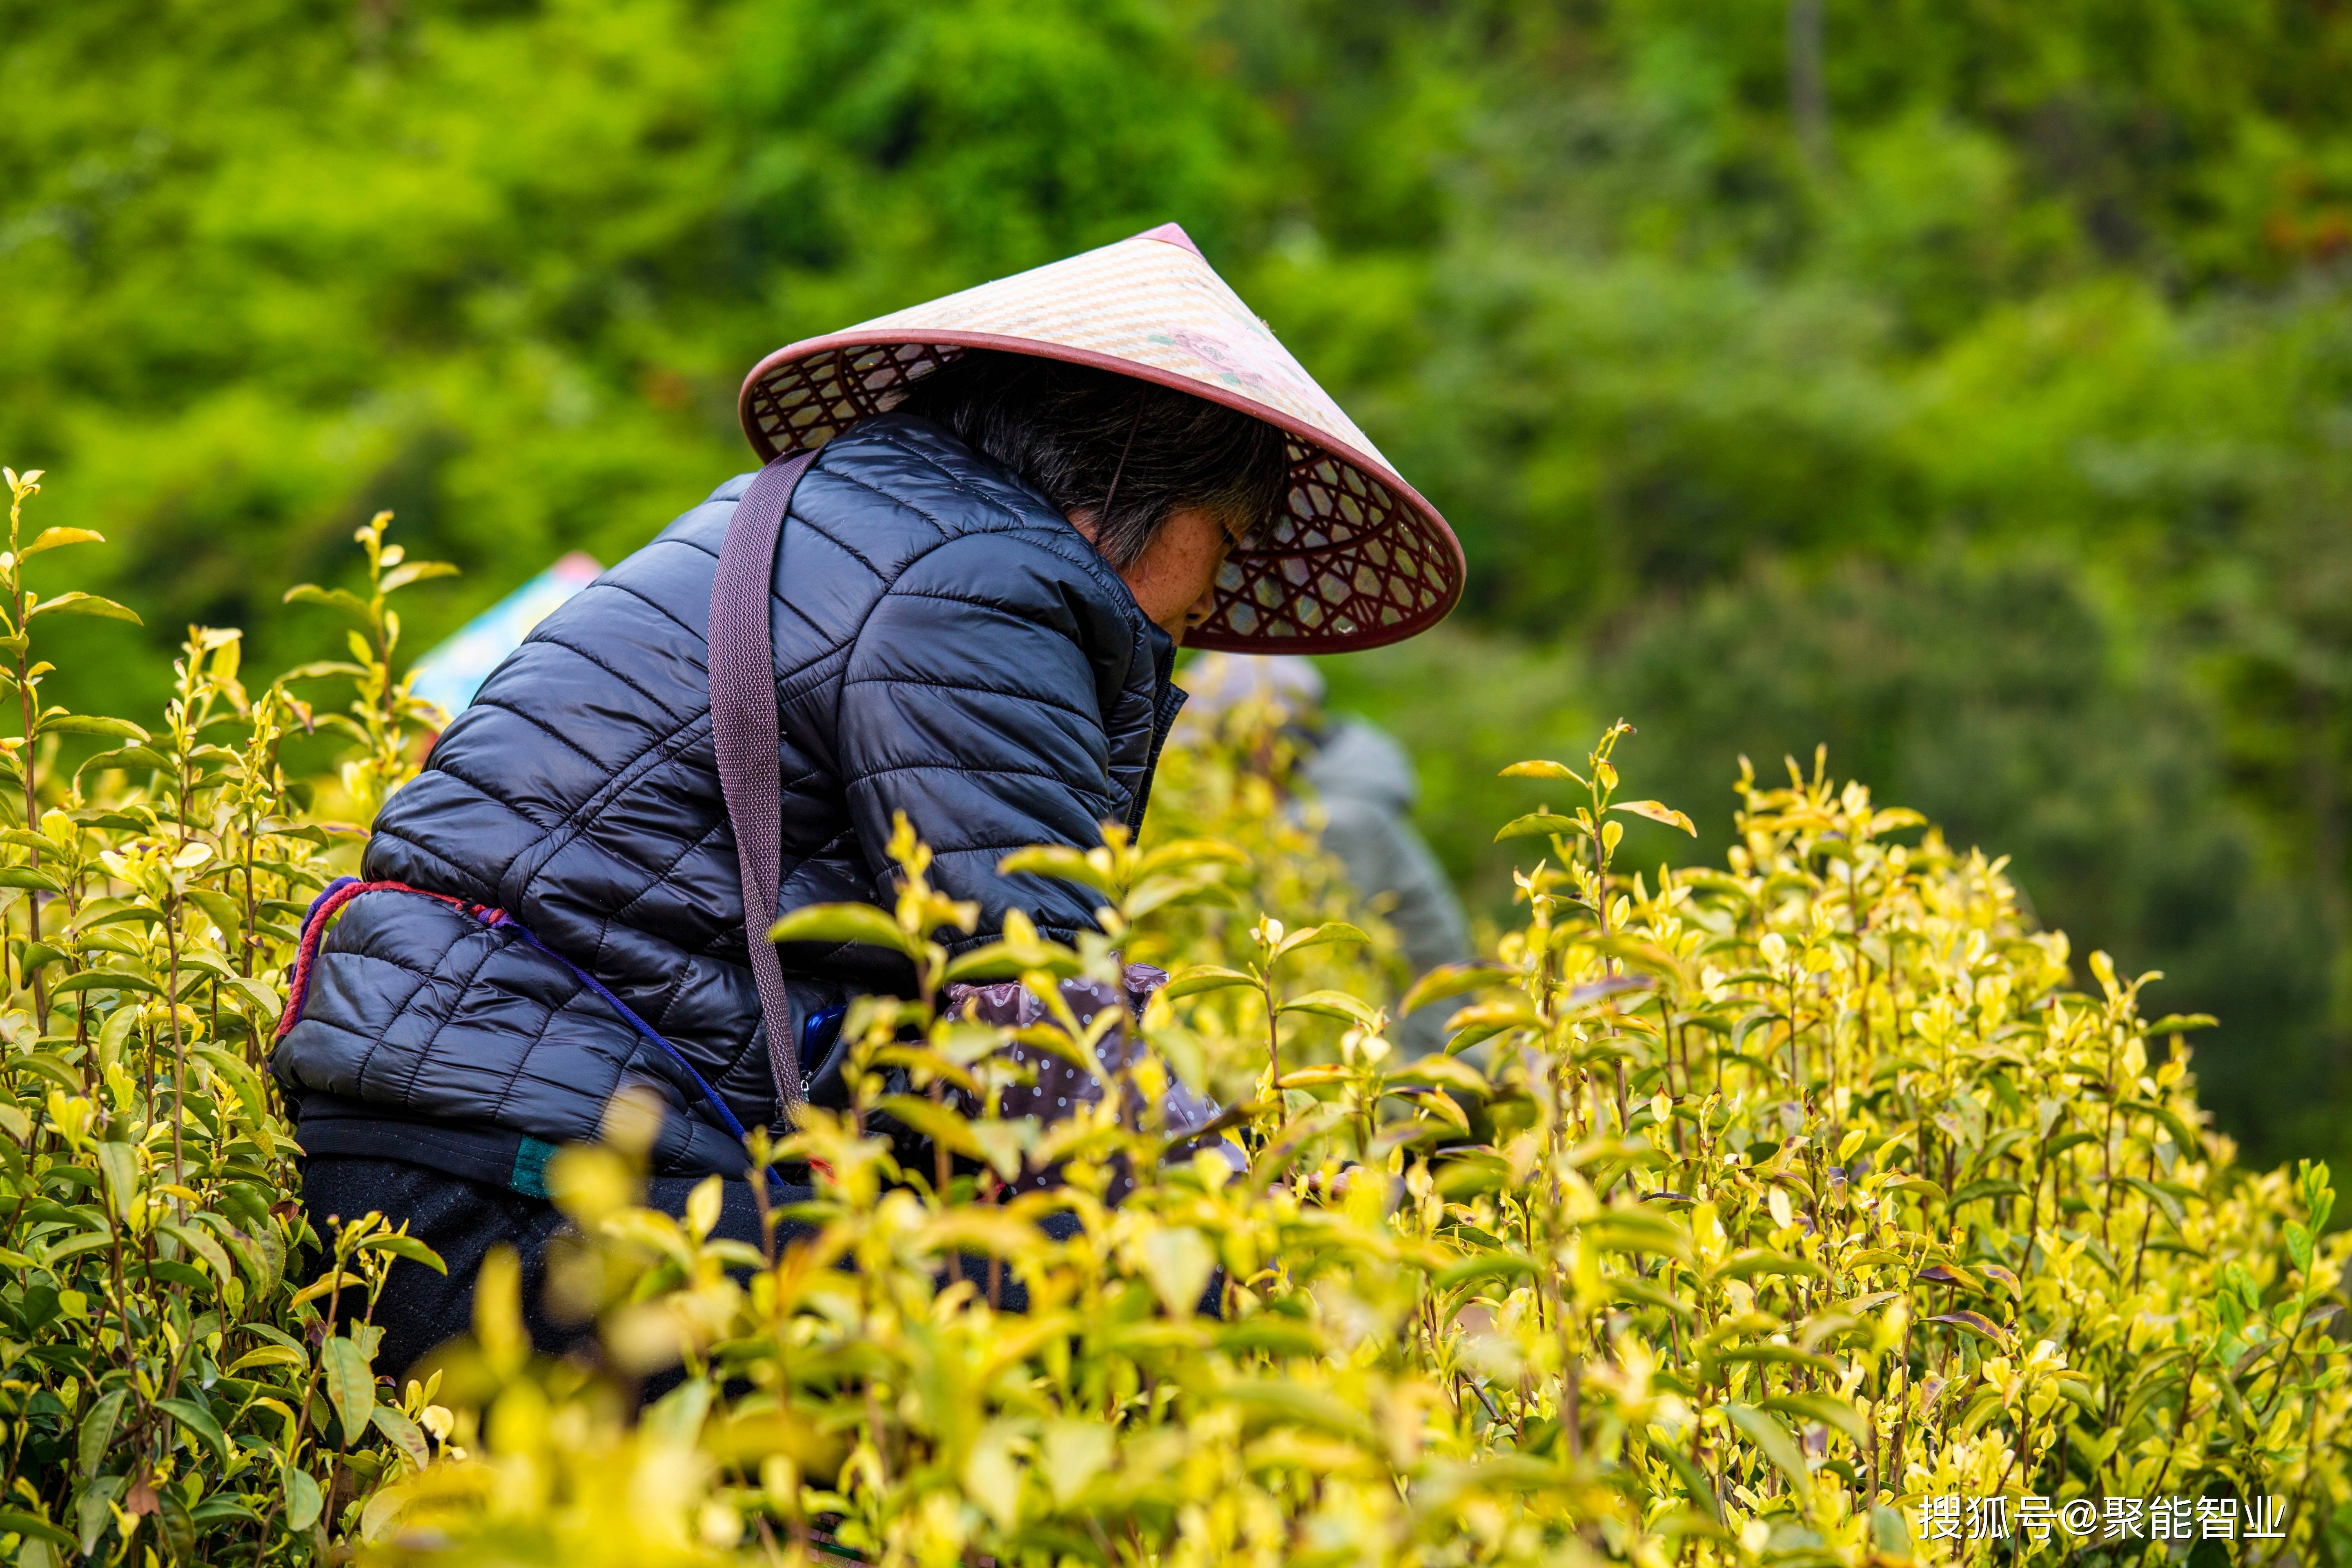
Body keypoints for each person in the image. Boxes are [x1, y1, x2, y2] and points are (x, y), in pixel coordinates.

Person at [270, 223, 1463, 1373]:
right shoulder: (979, 581)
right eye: (1230, 531)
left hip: (430, 1144)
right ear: (1140, 483)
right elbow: (1038, 1009)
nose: (1219, 584)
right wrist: (1287, 1238)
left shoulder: (864, 517)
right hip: (527, 1174)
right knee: (1101, 1308)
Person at [1177, 653, 1472, 1056]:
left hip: (1418, 1062)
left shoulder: (1332, 823)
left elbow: (1282, 952)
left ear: (1262, 745)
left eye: (1219, 754)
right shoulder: (1327, 804)